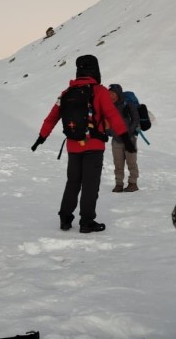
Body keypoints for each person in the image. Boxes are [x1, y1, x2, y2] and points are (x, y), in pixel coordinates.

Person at [31, 54, 135, 233]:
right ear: (96, 71)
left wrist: (41, 137)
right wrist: (126, 138)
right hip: (93, 146)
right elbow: (113, 116)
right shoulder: (100, 91)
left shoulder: (65, 93)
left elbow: (51, 118)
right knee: (90, 184)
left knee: (73, 182)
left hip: (73, 146)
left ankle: (65, 218)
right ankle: (86, 222)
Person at [107, 84, 140, 192]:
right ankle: (119, 184)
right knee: (118, 164)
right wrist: (110, 132)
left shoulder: (127, 104)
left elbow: (135, 119)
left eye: (113, 93)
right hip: (116, 139)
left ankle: (133, 183)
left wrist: (128, 133)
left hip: (129, 138)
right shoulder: (107, 106)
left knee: (131, 162)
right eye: (109, 93)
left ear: (118, 94)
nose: (110, 96)